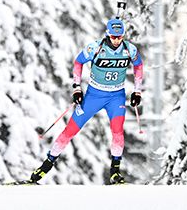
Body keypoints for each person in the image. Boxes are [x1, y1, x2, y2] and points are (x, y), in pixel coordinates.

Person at [28, 17, 143, 184]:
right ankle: (45, 166)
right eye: (114, 37)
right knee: (70, 130)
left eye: (120, 37)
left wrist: (137, 91)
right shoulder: (95, 48)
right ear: (108, 35)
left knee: (117, 131)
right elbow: (78, 62)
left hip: (116, 96)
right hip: (93, 96)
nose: (117, 41)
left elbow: (138, 66)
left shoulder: (129, 49)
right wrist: (76, 87)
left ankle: (115, 172)